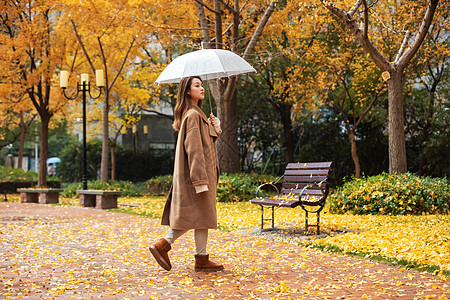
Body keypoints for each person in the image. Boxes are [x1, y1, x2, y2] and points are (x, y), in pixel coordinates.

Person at [149, 76, 224, 272]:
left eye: (202, 85)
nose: (202, 88)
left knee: (203, 216)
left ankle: (201, 258)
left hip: (202, 175)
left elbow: (205, 145)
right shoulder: (192, 115)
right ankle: (162, 245)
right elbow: (194, 150)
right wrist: (199, 180)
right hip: (198, 177)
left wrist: (215, 128)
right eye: (197, 85)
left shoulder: (196, 114)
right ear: (188, 91)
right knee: (193, 215)